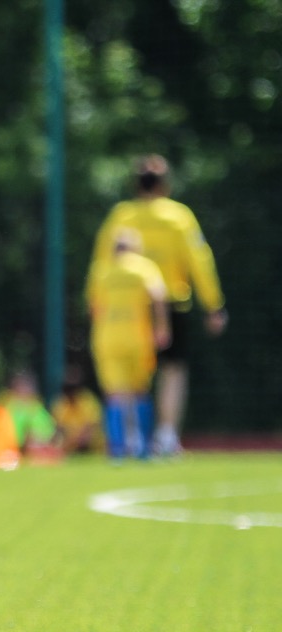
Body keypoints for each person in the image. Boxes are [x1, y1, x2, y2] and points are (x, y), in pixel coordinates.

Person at [88, 155, 226, 456]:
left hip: (125, 311)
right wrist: (214, 305)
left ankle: (130, 439)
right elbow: (199, 260)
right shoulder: (178, 217)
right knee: (172, 370)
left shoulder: (121, 216)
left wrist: (95, 305)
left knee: (130, 376)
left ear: (135, 184)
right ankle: (164, 435)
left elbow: (100, 263)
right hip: (171, 304)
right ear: (165, 184)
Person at [88, 228, 171, 459]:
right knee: (140, 391)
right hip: (138, 337)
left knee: (115, 393)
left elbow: (95, 308)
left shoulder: (101, 270)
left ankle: (118, 448)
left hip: (108, 338)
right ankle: (144, 448)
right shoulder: (144, 268)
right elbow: (159, 296)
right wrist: (162, 328)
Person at [50, 363, 104, 455]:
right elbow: (57, 430)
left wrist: (68, 444)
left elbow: (87, 435)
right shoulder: (61, 404)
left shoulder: (88, 401)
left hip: (93, 449)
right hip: (70, 449)